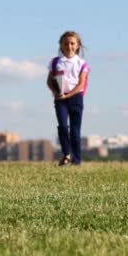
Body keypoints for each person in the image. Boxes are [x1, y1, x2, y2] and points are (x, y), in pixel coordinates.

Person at [46, 31, 90, 166]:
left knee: (75, 133)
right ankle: (66, 154)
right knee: (63, 127)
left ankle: (77, 160)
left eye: (72, 43)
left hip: (76, 98)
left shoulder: (82, 64)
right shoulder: (55, 62)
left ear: (77, 46)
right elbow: (49, 81)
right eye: (66, 43)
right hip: (60, 99)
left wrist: (68, 95)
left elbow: (81, 84)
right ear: (61, 45)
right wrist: (55, 92)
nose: (69, 46)